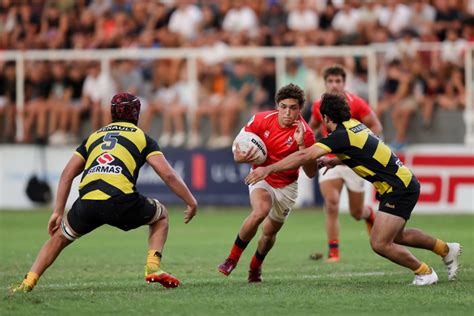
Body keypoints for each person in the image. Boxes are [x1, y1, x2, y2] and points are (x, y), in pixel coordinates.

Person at [246, 93, 462, 286]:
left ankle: (425, 273)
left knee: (379, 243)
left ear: (326, 119)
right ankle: (446, 249)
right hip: (402, 183)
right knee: (399, 236)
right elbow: (364, 153)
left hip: (398, 188)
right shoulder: (355, 126)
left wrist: (268, 169)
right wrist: (336, 162)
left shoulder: (340, 136)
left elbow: (305, 156)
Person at [13, 93, 198, 292]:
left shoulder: (94, 136)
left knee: (59, 238)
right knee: (161, 216)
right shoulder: (142, 138)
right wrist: (191, 201)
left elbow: (68, 173)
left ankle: (28, 282)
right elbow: (168, 175)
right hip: (120, 201)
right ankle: (153, 267)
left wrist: (57, 212)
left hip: (88, 202)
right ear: (136, 113)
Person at [217, 83, 318, 282]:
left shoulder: (305, 134)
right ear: (277, 105)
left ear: (300, 109)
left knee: (268, 234)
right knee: (259, 211)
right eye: (283, 106)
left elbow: (312, 172)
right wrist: (239, 156)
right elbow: (239, 146)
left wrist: (301, 145)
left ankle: (256, 265)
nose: (288, 112)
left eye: (293, 108)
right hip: (261, 178)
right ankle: (232, 259)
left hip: (287, 186)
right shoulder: (261, 119)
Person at [309, 65, 383, 262]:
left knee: (356, 212)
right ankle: (334, 252)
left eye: (338, 81)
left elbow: (376, 126)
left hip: (351, 162)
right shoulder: (318, 105)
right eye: (330, 81)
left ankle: (368, 215)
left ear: (344, 83)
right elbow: (312, 127)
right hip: (328, 161)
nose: (334, 85)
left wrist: (365, 147)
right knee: (331, 204)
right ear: (325, 83)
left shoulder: (356, 103)